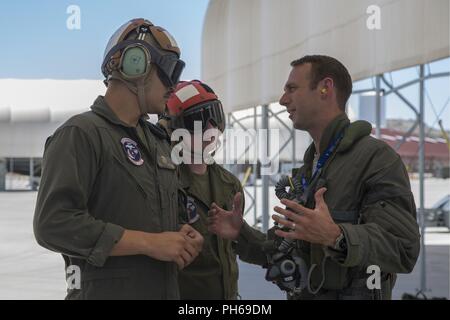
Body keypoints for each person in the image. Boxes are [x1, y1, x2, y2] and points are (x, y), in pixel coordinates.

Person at [208, 55, 420, 300]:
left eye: (292, 88)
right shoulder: (311, 168)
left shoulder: (376, 160)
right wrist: (241, 233)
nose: (283, 99)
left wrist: (336, 236)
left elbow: (403, 248)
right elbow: (287, 250)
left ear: (325, 88)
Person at [33, 18, 203, 300]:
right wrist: (150, 243)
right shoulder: (82, 134)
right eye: (170, 71)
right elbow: (52, 224)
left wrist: (179, 236)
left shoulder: (157, 143)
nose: (175, 84)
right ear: (136, 65)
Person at [163, 80, 243, 299]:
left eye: (214, 115)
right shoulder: (164, 183)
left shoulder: (230, 185)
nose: (210, 128)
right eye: (197, 119)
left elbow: (232, 250)